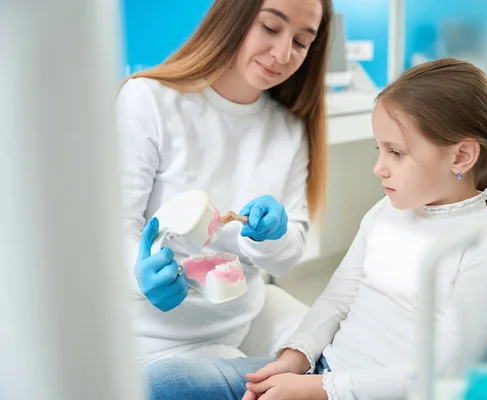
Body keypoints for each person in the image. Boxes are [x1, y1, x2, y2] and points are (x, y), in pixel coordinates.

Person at [143, 58, 487, 400]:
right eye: (379, 149)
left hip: (362, 393)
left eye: (396, 153)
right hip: (321, 373)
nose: (379, 167)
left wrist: (323, 390)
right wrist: (292, 360)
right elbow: (337, 299)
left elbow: (443, 373)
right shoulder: (387, 211)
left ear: (462, 155)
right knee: (159, 383)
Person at [117, 0, 333, 366]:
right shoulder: (149, 101)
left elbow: (285, 258)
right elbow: (114, 228)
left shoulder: (289, 129)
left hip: (244, 318)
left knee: (348, 358)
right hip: (155, 338)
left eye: (300, 42)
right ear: (234, 16)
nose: (282, 54)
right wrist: (138, 273)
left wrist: (273, 237)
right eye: (270, 27)